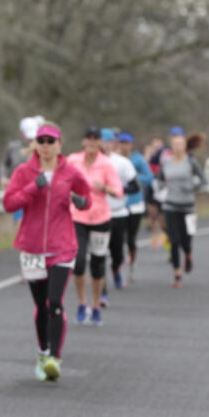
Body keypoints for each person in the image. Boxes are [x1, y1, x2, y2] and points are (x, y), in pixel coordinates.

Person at [3, 122, 91, 381]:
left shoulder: (70, 172)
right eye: (41, 141)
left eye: (51, 141)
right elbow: (9, 203)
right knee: (41, 306)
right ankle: (42, 352)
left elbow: (86, 198)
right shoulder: (23, 171)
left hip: (62, 247)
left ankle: (54, 356)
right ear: (35, 145)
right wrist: (34, 187)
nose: (46, 146)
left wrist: (81, 201)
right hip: (31, 248)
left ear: (59, 145)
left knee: (54, 303)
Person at [67, 127, 122, 324]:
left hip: (101, 218)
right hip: (77, 217)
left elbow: (118, 191)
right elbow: (60, 178)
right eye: (88, 138)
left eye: (95, 139)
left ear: (99, 142)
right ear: (83, 142)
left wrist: (104, 187)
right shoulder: (73, 160)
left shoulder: (106, 164)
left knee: (98, 265)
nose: (91, 142)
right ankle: (82, 302)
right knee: (79, 262)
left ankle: (96, 304)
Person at [157, 129, 206, 288]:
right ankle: (177, 274)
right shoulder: (166, 163)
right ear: (171, 146)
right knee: (174, 240)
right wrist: (160, 188)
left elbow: (203, 180)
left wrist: (192, 186)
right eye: (175, 144)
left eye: (181, 144)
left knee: (187, 239)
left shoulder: (191, 162)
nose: (178, 147)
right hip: (170, 205)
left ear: (185, 146)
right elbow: (158, 180)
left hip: (188, 207)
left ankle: (188, 255)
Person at [105, 128, 138, 292]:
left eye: (108, 141)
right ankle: (100, 282)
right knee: (98, 252)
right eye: (101, 141)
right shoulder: (87, 162)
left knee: (117, 251)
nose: (105, 145)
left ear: (114, 143)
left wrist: (118, 190)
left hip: (118, 212)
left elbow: (135, 187)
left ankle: (116, 269)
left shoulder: (122, 162)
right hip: (96, 214)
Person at [118, 132, 152, 280]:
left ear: (131, 144)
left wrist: (133, 176)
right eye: (122, 143)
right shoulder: (114, 159)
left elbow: (149, 178)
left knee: (131, 238)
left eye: (127, 143)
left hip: (135, 204)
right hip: (118, 205)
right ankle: (117, 265)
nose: (124, 146)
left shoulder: (138, 160)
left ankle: (131, 264)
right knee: (118, 238)